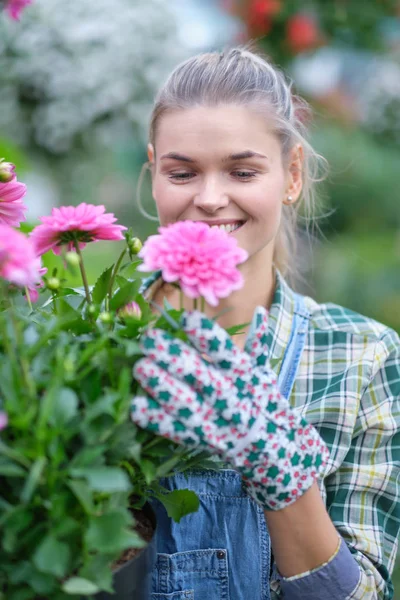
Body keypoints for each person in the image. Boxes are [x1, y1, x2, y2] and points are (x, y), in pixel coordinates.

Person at [130, 46, 400, 600]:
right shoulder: (94, 342)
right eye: (182, 172)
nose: (209, 198)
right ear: (154, 171)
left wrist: (275, 459)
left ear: (292, 174)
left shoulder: (363, 357)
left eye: (242, 170)